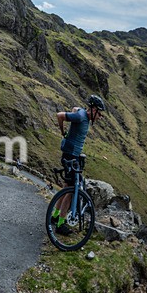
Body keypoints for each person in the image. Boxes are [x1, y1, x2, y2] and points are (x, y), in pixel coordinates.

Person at [51, 95, 106, 234]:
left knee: (66, 187)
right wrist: (63, 132)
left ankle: (55, 216)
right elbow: (60, 115)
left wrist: (76, 110)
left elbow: (75, 109)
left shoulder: (83, 115)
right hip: (70, 156)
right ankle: (61, 223)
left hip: (72, 156)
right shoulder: (81, 117)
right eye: (99, 113)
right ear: (93, 110)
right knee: (71, 190)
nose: (100, 117)